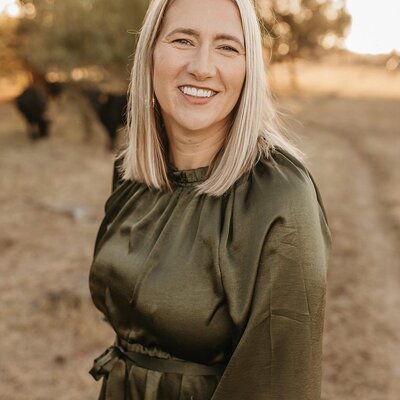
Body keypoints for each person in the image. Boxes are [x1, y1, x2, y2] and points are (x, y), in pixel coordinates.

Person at [88, 0, 331, 399]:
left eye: (227, 47)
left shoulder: (280, 196)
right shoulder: (130, 173)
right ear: (150, 53)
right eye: (183, 40)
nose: (202, 66)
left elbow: (279, 384)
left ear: (248, 68)